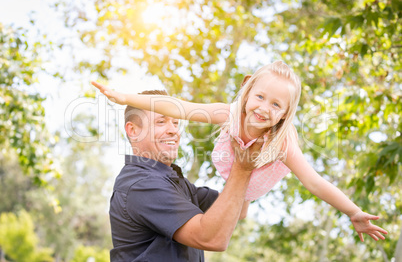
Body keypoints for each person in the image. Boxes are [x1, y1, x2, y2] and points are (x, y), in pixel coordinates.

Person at [93, 60, 388, 242]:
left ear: (285, 113)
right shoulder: (229, 113)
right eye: (260, 96)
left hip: (257, 174)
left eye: (276, 105)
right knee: (235, 198)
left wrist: (353, 211)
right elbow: (183, 107)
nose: (263, 108)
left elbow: (314, 181)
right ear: (247, 92)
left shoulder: (282, 141)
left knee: (242, 201)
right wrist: (125, 97)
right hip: (233, 163)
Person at [108, 89, 262, 261]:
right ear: (133, 130)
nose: (173, 130)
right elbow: (212, 238)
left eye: (175, 122)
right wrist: (242, 168)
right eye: (161, 121)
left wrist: (248, 140)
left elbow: (238, 209)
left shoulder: (175, 182)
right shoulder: (141, 185)